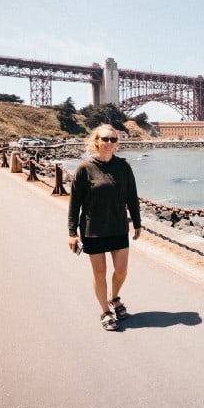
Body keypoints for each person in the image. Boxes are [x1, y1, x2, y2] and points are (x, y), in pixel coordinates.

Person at [68, 124, 142, 331]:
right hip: (94, 229)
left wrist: (137, 222)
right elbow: (75, 203)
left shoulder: (123, 166)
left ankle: (114, 297)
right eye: (105, 139)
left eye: (113, 139)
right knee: (100, 272)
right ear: (96, 141)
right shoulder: (85, 168)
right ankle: (106, 311)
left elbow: (131, 197)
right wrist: (72, 233)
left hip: (118, 226)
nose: (109, 143)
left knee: (121, 269)